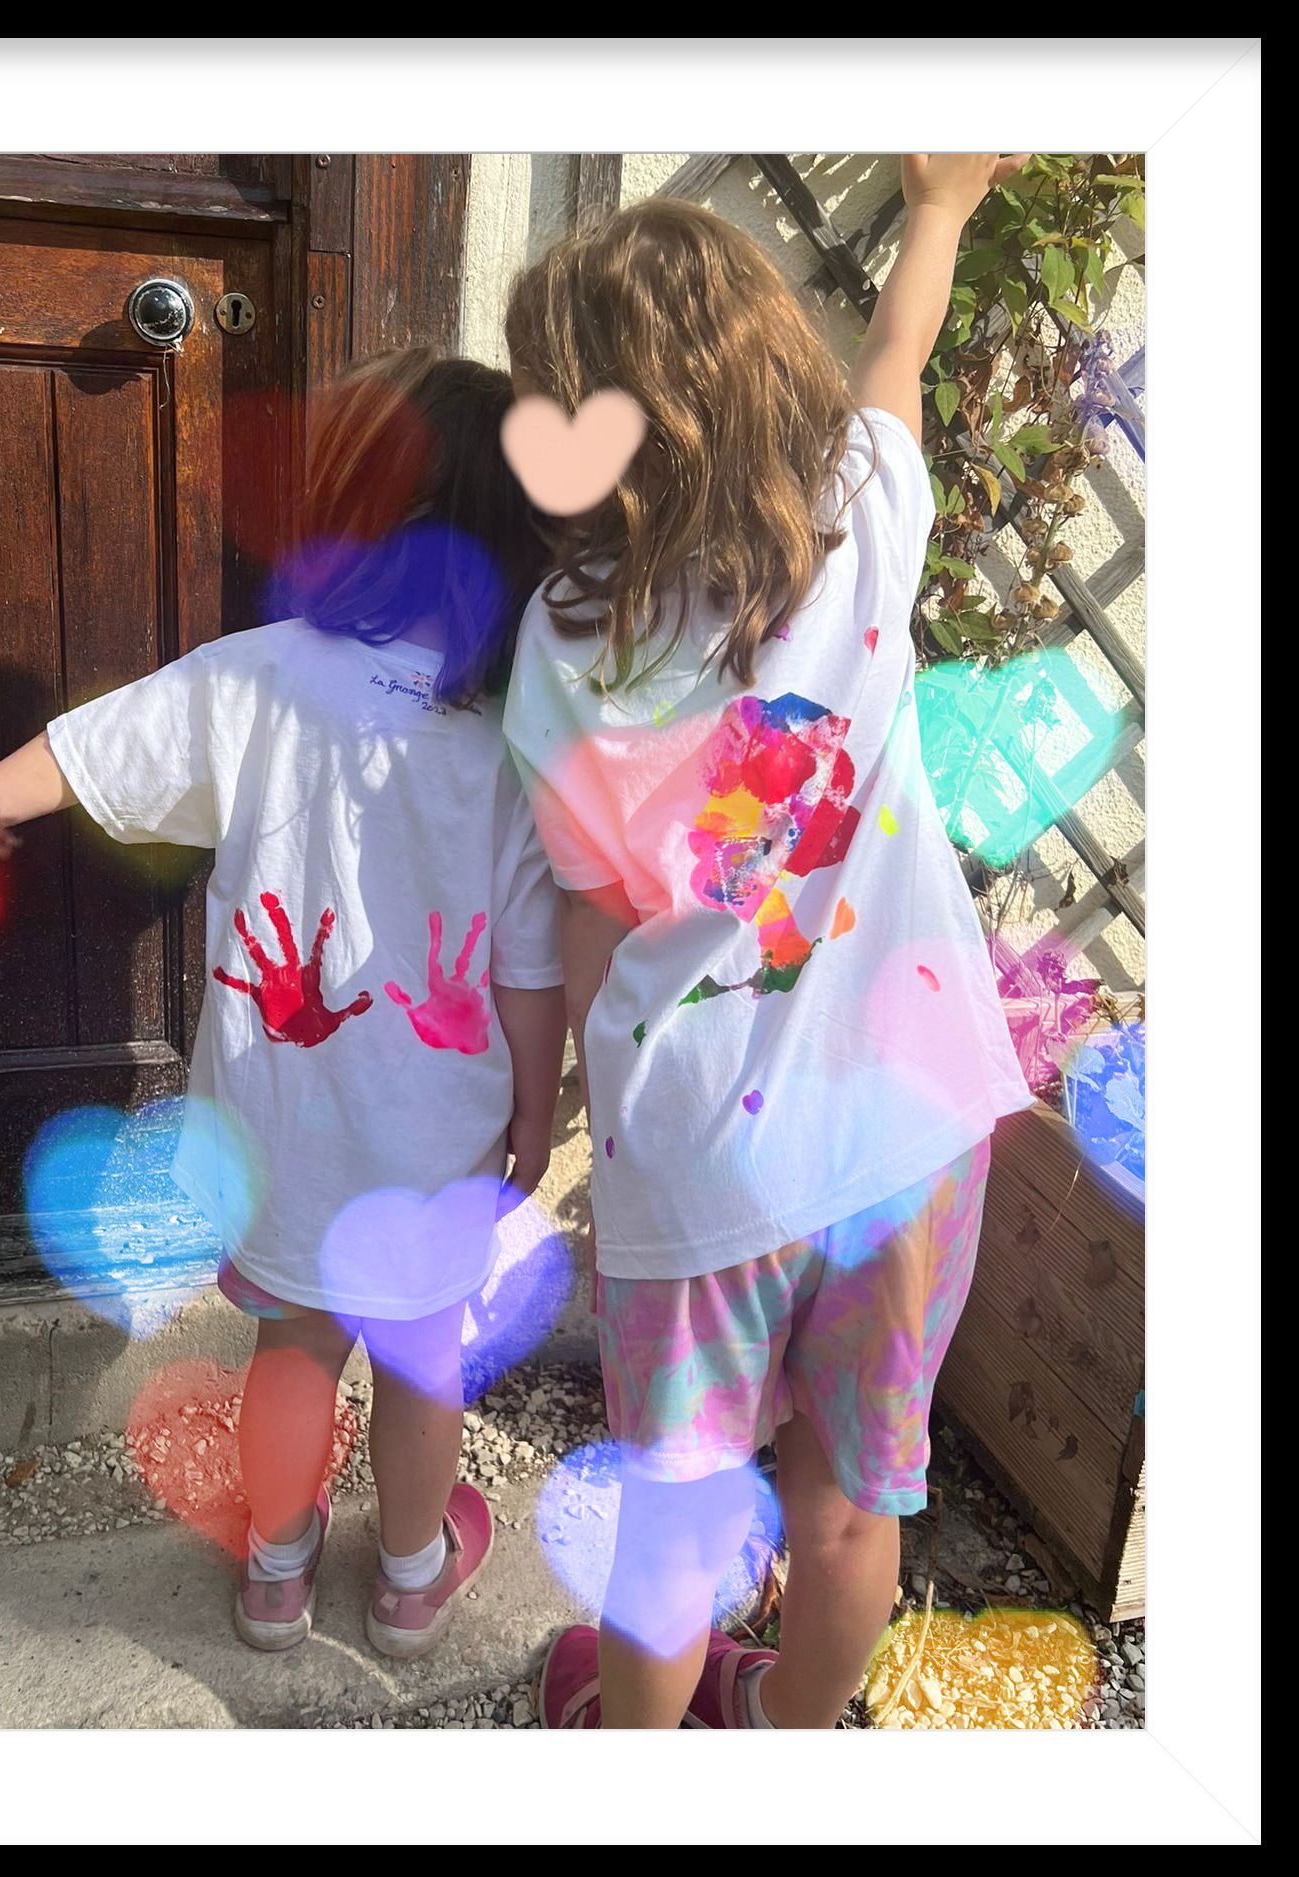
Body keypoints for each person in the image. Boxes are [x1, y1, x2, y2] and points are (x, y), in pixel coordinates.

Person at [502, 156, 1034, 1727]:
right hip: (913, 1125)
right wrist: (939, 207)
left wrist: (581, 1114)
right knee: (855, 1508)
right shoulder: (866, 514)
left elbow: (600, 911)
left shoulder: (567, 648)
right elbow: (896, 363)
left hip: (710, 1158)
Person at [0, 347, 566, 1660]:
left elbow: (82, 752)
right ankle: (407, 1581)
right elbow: (528, 958)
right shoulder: (515, 731)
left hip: (278, 1116)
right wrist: (529, 1112)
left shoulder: (260, 672)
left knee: (291, 1341)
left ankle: (275, 1580)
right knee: (416, 1356)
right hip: (433, 1120)